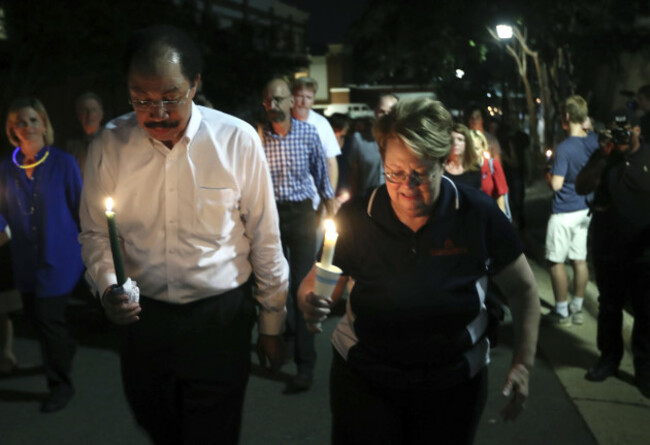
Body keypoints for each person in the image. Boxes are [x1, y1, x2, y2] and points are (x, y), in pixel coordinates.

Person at [79, 25, 288, 444]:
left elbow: (265, 237)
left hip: (219, 320)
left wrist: (272, 321)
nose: (157, 113)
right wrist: (107, 287)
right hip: (146, 319)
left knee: (214, 431)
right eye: (142, 99)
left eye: (170, 97)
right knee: (156, 423)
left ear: (195, 84)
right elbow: (96, 234)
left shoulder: (236, 140)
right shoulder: (110, 145)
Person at [298, 98, 540, 444]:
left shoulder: (477, 214)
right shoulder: (357, 216)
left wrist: (523, 364)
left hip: (453, 384)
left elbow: (523, 291)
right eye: (394, 173)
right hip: (366, 379)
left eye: (420, 173)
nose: (407, 187)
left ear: (444, 162)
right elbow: (316, 283)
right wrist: (309, 300)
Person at [0, 97, 83, 412]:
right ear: (12, 130)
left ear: (44, 124)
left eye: (33, 120)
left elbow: (80, 208)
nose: (28, 126)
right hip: (25, 262)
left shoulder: (63, 163)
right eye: (20, 122)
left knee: (48, 321)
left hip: (60, 260)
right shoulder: (6, 169)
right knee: (41, 321)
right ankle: (65, 348)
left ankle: (60, 386)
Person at [261, 77, 334, 392]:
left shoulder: (308, 133)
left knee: (303, 287)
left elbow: (321, 171)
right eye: (269, 101)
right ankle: (281, 339)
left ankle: (306, 364)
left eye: (279, 100)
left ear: (291, 101)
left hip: (303, 213)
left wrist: (329, 205)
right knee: (275, 283)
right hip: (271, 215)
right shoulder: (258, 136)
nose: (273, 106)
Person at [575, 111, 650, 398]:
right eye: (614, 131)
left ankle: (645, 370)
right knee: (609, 308)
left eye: (625, 129)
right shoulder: (604, 159)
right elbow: (581, 186)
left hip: (645, 251)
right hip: (610, 249)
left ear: (638, 130)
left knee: (646, 311)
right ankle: (608, 359)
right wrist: (603, 156)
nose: (620, 136)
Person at [543, 95, 598, 326]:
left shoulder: (564, 148)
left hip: (564, 211)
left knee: (556, 261)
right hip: (585, 209)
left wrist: (547, 172)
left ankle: (562, 310)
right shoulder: (594, 142)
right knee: (579, 259)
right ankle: (577, 307)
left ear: (566, 117)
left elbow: (556, 184)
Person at [291, 76, 341, 211]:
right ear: (292, 98)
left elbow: (331, 163)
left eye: (308, 97)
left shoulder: (321, 124)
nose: (303, 102)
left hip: (315, 201)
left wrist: (329, 200)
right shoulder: (283, 123)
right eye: (299, 96)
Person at [347, 93, 398, 198]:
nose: (386, 116)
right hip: (367, 200)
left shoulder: (403, 142)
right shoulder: (359, 140)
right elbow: (353, 175)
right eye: (382, 111)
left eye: (391, 112)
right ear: (375, 112)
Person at [470, 129, 510, 217]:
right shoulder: (465, 169)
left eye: (476, 149)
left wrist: (500, 221)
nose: (473, 152)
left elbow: (501, 196)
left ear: (483, 148)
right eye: (470, 149)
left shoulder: (492, 165)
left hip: (490, 216)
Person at [65, 92, 104, 175]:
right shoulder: (72, 148)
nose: (90, 115)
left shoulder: (112, 142)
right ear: (79, 115)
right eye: (85, 111)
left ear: (101, 114)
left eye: (94, 110)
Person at [443, 122, 481, 189]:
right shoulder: (440, 167)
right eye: (452, 139)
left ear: (466, 144)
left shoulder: (474, 170)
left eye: (460, 139)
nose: (455, 143)